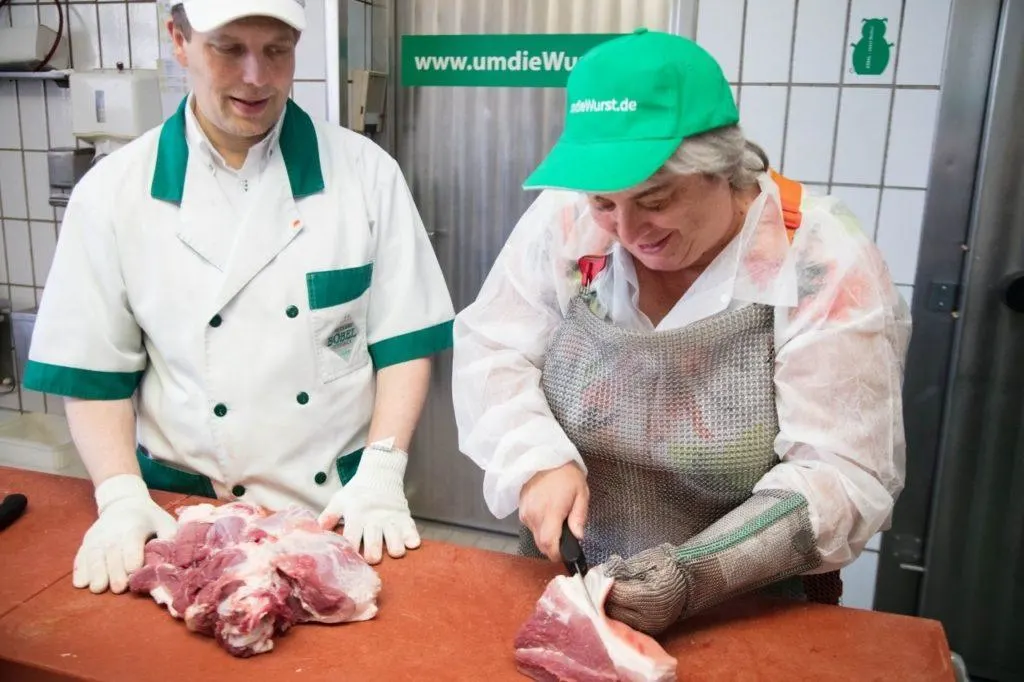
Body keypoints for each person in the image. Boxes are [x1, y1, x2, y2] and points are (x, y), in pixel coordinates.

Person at [451, 28, 910, 635]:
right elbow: (493, 348)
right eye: (604, 202)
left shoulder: (820, 260)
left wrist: (693, 573)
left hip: (747, 605)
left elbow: (841, 473)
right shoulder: (567, 222)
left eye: (655, 199)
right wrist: (535, 460)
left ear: (724, 169)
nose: (627, 230)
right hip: (572, 583)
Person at [24, 0, 454, 595]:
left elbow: (403, 341)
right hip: (183, 517)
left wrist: (381, 472)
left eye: (277, 50)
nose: (256, 77)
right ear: (179, 41)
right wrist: (120, 493)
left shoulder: (366, 173)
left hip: (337, 509)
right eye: (229, 49)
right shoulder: (113, 193)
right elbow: (94, 372)